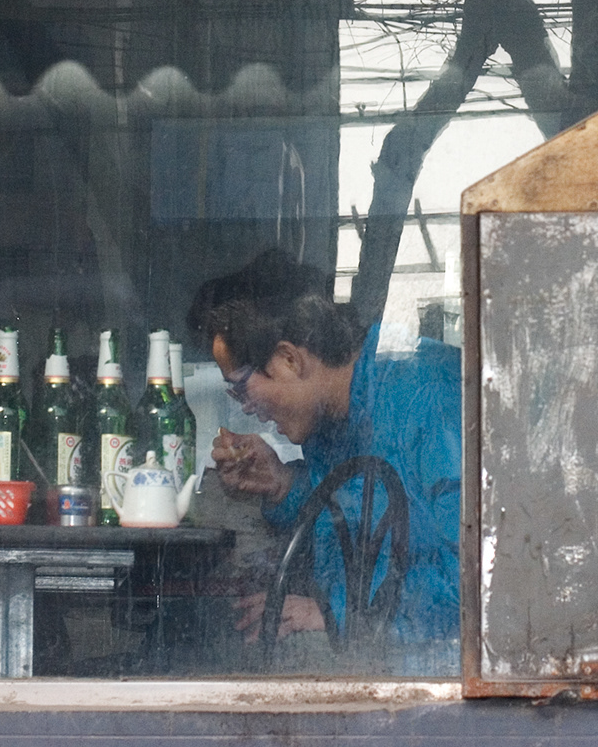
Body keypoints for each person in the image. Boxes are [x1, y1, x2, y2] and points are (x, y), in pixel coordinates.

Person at [186, 253, 461, 657]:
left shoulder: (431, 398)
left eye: (242, 387)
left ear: (288, 360)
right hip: (375, 651)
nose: (244, 407)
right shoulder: (332, 415)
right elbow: (366, 517)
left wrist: (338, 612)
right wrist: (283, 485)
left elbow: (481, 574)